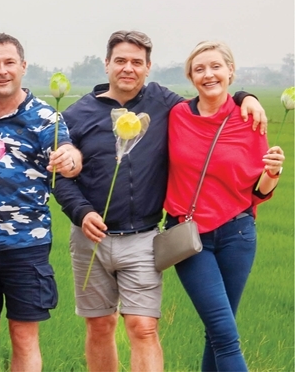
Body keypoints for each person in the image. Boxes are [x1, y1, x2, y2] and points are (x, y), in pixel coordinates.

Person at [54, 31, 268, 372]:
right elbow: (60, 179)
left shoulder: (164, 103)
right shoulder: (77, 114)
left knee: (143, 326)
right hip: (90, 239)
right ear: (106, 64)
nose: (128, 68)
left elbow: (209, 95)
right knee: (99, 325)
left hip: (143, 238)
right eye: (120, 61)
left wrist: (246, 96)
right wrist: (81, 213)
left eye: (136, 62)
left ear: (148, 67)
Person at [0, 33, 81, 372]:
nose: (2, 71)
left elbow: (68, 153)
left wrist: (68, 159)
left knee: (23, 335)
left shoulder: (45, 116)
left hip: (26, 244)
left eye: (9, 63)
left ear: (23, 67)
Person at [163, 41, 284, 371]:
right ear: (190, 77)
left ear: (230, 71)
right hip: (190, 239)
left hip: (238, 235)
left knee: (217, 332)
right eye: (199, 69)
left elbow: (258, 192)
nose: (209, 74)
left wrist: (273, 173)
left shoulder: (250, 119)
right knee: (225, 335)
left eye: (216, 66)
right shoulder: (177, 115)